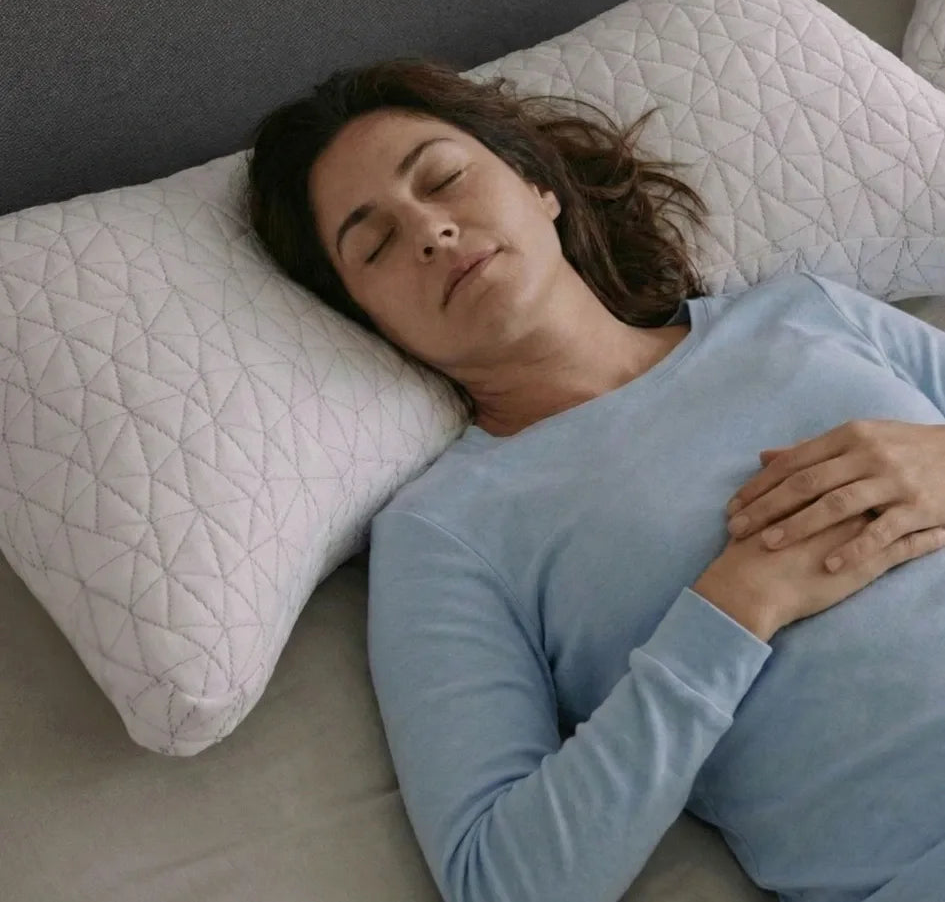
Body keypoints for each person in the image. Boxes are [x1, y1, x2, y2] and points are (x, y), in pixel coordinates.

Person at [247, 58, 945, 902]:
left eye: (443, 179)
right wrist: (733, 607)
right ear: (372, 323)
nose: (431, 231)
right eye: (377, 244)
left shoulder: (805, 313)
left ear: (538, 184)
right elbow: (500, 880)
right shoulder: (448, 530)